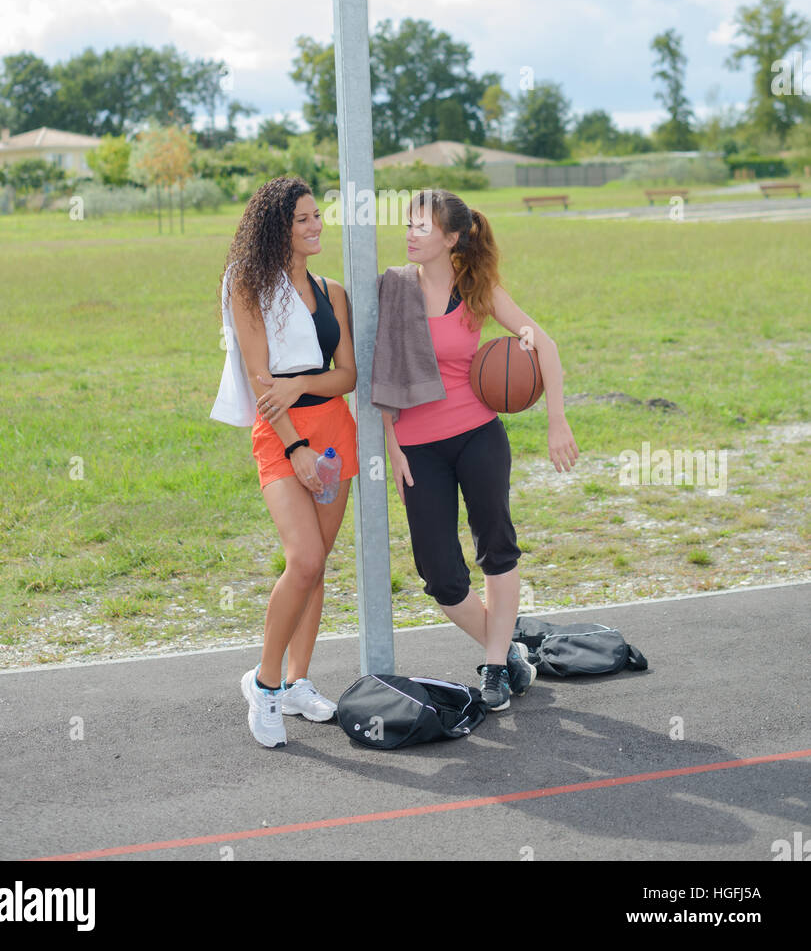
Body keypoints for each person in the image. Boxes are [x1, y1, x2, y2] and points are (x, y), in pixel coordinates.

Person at [380, 189, 579, 711]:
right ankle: (509, 649)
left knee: (496, 546)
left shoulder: (478, 290)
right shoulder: (392, 288)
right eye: (408, 224)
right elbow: (381, 371)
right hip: (417, 448)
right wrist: (391, 444)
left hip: (478, 436)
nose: (409, 234)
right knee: (440, 573)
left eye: (422, 227)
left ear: (450, 238)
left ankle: (493, 667)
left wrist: (556, 419)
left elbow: (546, 344)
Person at [222, 176, 358, 748]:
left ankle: (300, 681)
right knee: (301, 560)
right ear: (278, 224)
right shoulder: (248, 284)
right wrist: (295, 448)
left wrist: (301, 379)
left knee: (318, 563)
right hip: (282, 435)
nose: (316, 225)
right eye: (302, 218)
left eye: (318, 215)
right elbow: (260, 381)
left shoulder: (333, 290)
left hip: (334, 429)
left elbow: (347, 374)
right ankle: (266, 683)